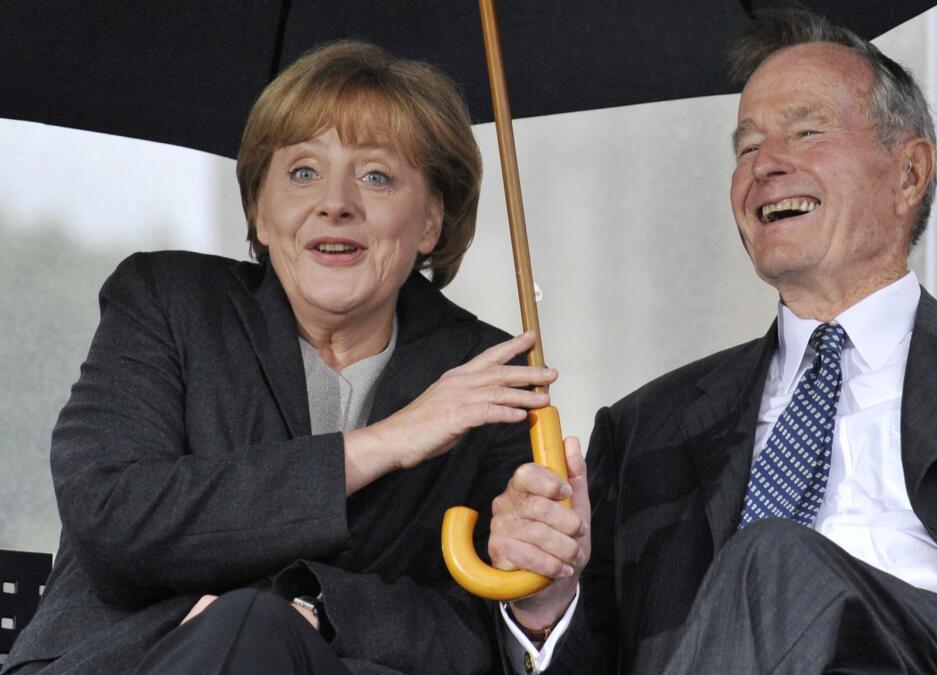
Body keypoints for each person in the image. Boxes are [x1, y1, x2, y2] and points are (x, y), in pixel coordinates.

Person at [487, 8, 937, 675]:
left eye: (806, 133)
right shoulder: (644, 428)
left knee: (775, 561)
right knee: (766, 567)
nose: (764, 165)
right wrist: (546, 601)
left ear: (909, 172)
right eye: (748, 146)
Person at [2, 41, 557, 674]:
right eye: (302, 172)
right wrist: (382, 444)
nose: (336, 202)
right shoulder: (168, 304)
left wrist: (313, 605)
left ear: (430, 221)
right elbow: (114, 518)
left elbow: (477, 635)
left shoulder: (485, 373)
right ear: (260, 211)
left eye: (377, 175)